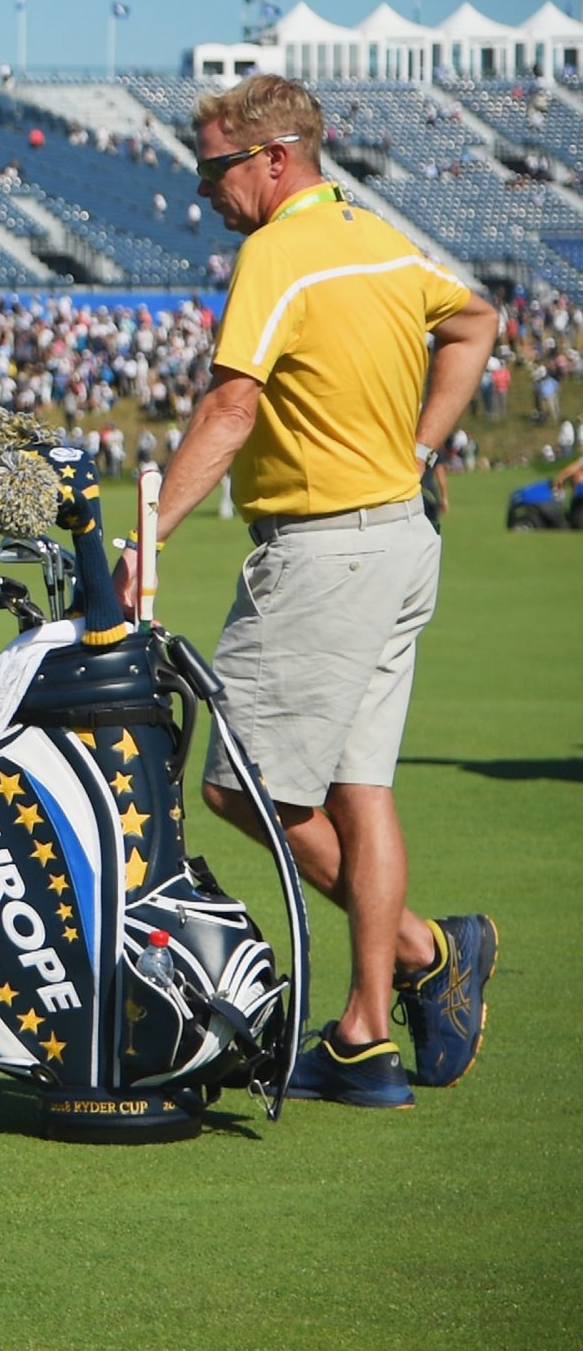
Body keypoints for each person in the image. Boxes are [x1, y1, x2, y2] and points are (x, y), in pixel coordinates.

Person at [122, 75, 497, 1109]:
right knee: (357, 789)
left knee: (238, 787)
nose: (204, 189)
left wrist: (142, 546)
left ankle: (422, 953)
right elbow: (477, 325)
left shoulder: (276, 251)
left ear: (274, 157)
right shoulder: (380, 241)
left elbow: (232, 405)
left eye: (215, 168)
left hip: (323, 553)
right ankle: (368, 1035)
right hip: (399, 543)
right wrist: (421, 448)